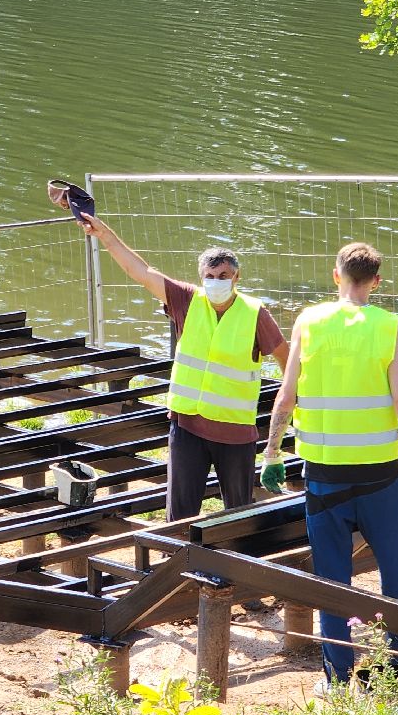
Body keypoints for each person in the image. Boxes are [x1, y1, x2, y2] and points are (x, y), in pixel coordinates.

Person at [260, 241, 398, 687]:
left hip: (324, 476)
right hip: (380, 474)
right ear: (377, 283)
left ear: (336, 275)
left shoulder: (308, 321)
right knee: (397, 574)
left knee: (333, 579)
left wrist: (270, 455)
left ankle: (337, 676)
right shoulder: (387, 325)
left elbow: (285, 398)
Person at [78, 214, 289, 520]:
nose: (217, 281)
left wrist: (289, 409)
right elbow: (140, 271)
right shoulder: (187, 300)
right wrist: (103, 233)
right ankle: (175, 561)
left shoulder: (255, 313)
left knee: (237, 514)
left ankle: (232, 565)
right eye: (211, 275)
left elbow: (287, 360)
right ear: (202, 277)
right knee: (180, 514)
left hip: (235, 432)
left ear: (236, 278)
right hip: (188, 426)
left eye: (225, 275)